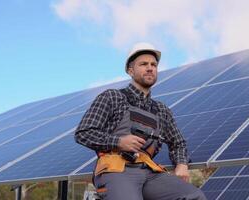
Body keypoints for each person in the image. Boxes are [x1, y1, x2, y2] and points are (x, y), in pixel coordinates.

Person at [75, 42, 207, 200]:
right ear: (131, 70)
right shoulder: (112, 97)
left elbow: (178, 142)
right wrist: (118, 141)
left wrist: (181, 163)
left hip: (149, 171)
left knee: (194, 196)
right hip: (116, 168)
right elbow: (83, 133)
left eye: (154, 64)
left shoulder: (161, 110)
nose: (150, 68)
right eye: (143, 64)